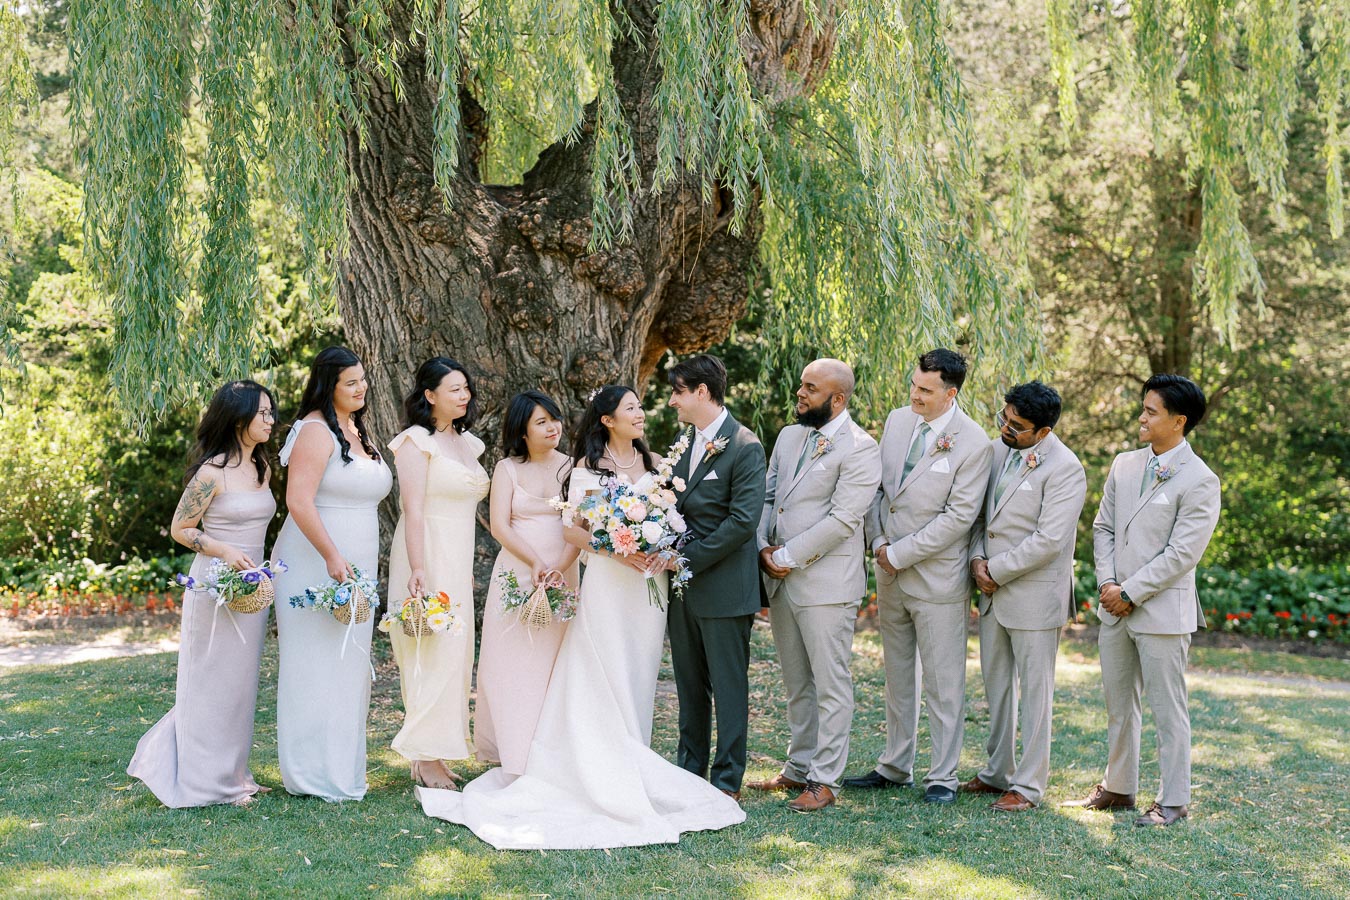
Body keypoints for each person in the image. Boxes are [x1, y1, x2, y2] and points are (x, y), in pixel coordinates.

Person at [418, 385, 744, 849]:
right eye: (631, 407)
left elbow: (673, 518)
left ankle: (636, 751)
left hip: (649, 584)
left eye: (639, 406)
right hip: (610, 581)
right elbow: (575, 528)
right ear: (608, 419)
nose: (641, 413)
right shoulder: (589, 469)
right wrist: (619, 548)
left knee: (641, 670)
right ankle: (600, 759)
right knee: (601, 668)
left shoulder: (656, 467)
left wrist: (660, 547)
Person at [1066, 374, 1220, 827]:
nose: (1142, 417)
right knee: (1119, 703)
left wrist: (1131, 591)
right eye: (1144, 408)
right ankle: (1118, 787)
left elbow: (1182, 553)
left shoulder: (1200, 480)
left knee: (1168, 708)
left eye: (1151, 412)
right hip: (1114, 608)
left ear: (1179, 421)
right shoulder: (1124, 464)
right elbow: (1103, 528)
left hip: (1162, 612)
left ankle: (1174, 800)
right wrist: (1109, 585)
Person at [846, 348, 992, 803]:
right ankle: (895, 765)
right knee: (897, 673)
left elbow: (959, 517)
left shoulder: (974, 443)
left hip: (937, 579)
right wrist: (877, 544)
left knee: (944, 682)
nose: (915, 394)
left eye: (925, 390)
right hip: (888, 569)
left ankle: (943, 776)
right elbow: (879, 490)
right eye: (913, 384)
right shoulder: (896, 421)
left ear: (951, 394)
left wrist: (900, 553)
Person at [128, 380, 278, 807]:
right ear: (237, 418)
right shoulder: (211, 473)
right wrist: (224, 550)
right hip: (214, 584)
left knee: (240, 686)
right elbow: (181, 529)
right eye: (262, 413)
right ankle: (203, 781)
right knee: (209, 683)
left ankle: (233, 774)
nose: (270, 420)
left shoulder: (262, 469)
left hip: (250, 588)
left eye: (271, 412)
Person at [749, 359, 880, 812]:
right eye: (801, 384)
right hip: (781, 577)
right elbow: (768, 495)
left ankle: (825, 780)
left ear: (837, 398)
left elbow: (844, 519)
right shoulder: (789, 436)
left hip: (826, 582)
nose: (800, 393)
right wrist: (763, 545)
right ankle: (798, 766)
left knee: (830, 682)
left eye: (810, 387)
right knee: (796, 682)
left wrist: (784, 556)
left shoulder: (861, 448)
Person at [272, 346, 392, 802]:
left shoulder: (357, 430)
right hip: (315, 557)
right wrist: (331, 555)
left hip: (357, 555)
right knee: (315, 663)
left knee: (349, 664)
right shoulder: (315, 431)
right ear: (329, 386)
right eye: (350, 382)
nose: (361, 388)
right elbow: (298, 501)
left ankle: (342, 768)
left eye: (363, 379)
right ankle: (309, 774)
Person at [961, 381, 1086, 812]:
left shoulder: (1065, 469)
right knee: (996, 687)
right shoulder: (996, 453)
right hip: (991, 591)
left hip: (1034, 597)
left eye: (1018, 426)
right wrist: (978, 559)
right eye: (1005, 418)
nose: (1007, 429)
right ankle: (997, 771)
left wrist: (996, 569)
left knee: (1035, 694)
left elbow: (1049, 540)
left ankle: (1028, 786)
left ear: (1044, 432)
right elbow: (980, 518)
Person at [665, 354, 768, 801]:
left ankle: (726, 781)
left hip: (724, 587)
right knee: (688, 685)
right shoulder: (683, 444)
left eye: (678, 392)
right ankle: (689, 771)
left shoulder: (745, 446)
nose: (672, 401)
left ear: (701, 392)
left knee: (728, 689)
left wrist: (686, 560)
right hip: (682, 590)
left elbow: (742, 523)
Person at [385, 357, 491, 789]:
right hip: (425, 550)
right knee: (429, 651)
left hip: (458, 554)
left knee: (456, 654)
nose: (463, 395)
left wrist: (463, 568)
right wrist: (417, 567)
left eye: (465, 388)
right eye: (453, 389)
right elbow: (412, 510)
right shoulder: (414, 442)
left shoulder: (470, 444)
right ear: (430, 396)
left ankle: (436, 751)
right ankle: (424, 757)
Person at [474, 391, 579, 775]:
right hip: (517, 570)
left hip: (562, 573)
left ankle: (551, 751)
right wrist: (535, 560)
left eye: (555, 419)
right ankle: (515, 752)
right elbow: (499, 525)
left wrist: (557, 566)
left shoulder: (573, 467)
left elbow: (582, 525)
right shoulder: (507, 469)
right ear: (522, 431)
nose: (553, 427)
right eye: (541, 422)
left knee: (553, 661)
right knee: (514, 661)